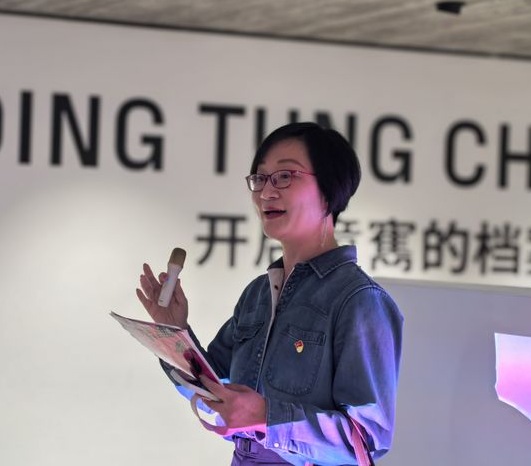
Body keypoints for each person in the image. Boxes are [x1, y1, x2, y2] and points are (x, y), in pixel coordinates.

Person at [136, 122, 403, 465]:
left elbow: (364, 441)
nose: (266, 193)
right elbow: (214, 391)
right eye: (260, 178)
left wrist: (267, 417)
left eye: (285, 176)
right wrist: (174, 332)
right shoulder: (257, 294)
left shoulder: (359, 300)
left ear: (329, 188)